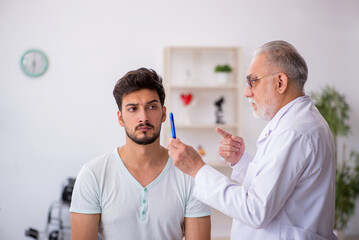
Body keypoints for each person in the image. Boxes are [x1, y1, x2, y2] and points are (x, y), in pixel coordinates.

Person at [167, 41, 337, 240]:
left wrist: (197, 169)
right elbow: (278, 187)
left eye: (253, 81)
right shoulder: (298, 123)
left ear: (280, 82)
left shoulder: (293, 131)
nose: (247, 92)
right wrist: (241, 161)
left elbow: (255, 210)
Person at [70, 68, 211, 240]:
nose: (143, 117)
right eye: (132, 109)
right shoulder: (93, 174)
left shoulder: (189, 175)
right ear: (120, 118)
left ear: (164, 114)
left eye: (151, 107)